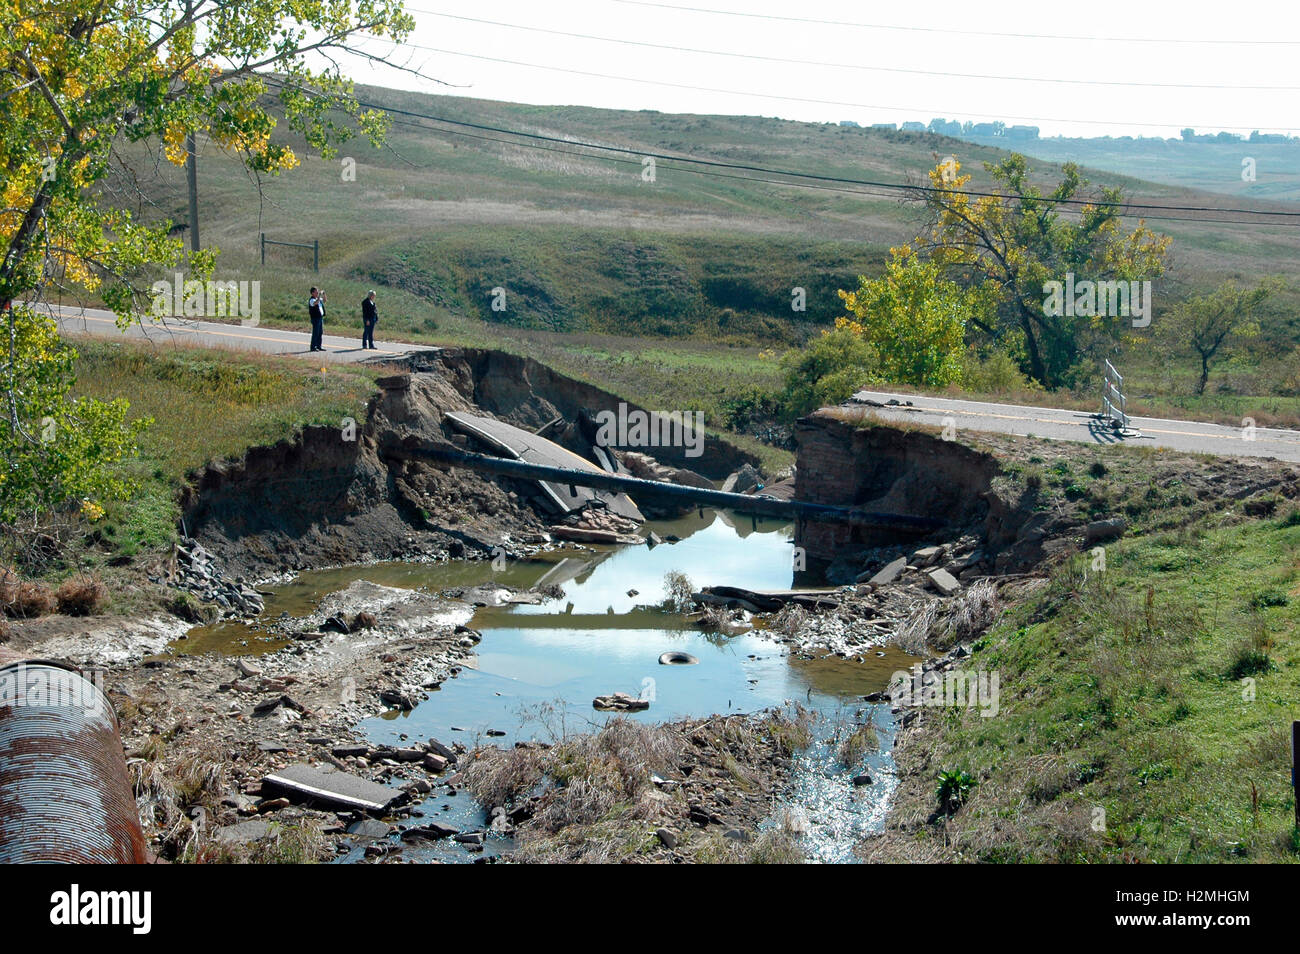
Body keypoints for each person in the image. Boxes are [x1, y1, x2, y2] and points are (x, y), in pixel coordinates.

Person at [308, 286, 327, 351]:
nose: (317, 293)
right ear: (312, 293)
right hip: (315, 318)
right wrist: (319, 296)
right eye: (316, 292)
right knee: (315, 333)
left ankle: (319, 346)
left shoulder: (318, 299)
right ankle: (313, 347)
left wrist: (324, 294)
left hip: (320, 318)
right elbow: (315, 303)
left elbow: (325, 301)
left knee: (320, 332)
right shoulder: (312, 300)